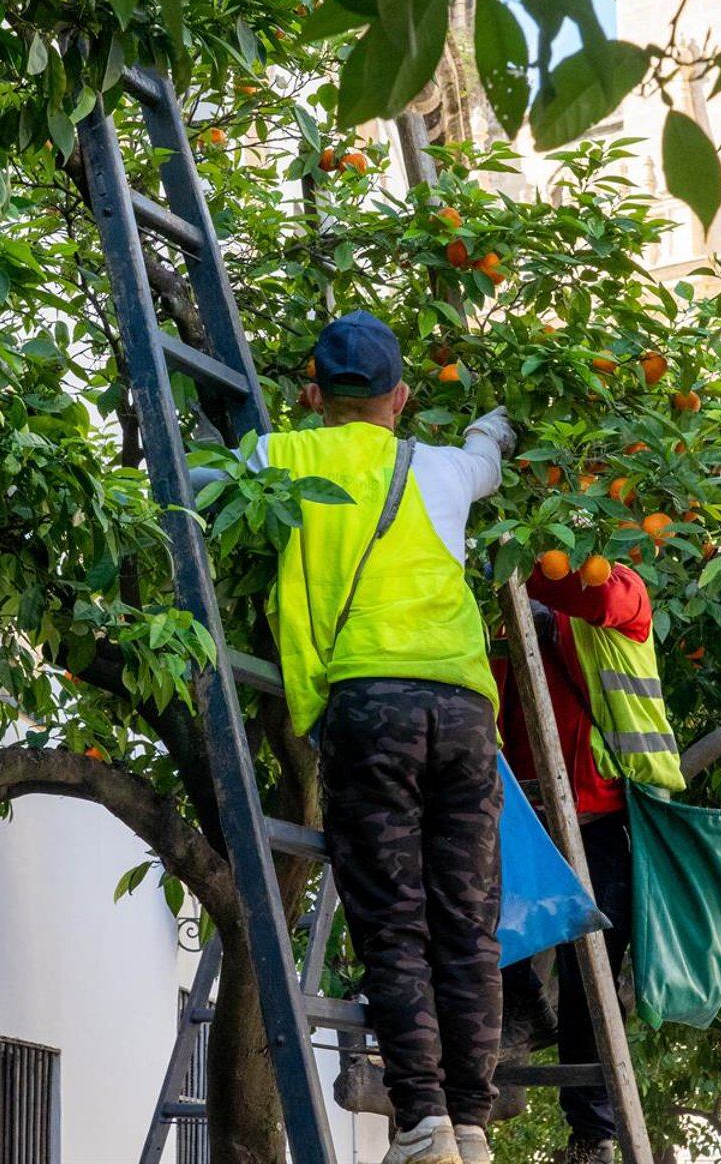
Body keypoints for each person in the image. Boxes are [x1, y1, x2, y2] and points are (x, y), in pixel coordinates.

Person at [229, 310, 515, 1164]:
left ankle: (423, 1123)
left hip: (369, 706)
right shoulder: (442, 469)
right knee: (469, 924)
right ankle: (470, 1121)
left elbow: (213, 468)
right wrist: (495, 420)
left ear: (313, 392)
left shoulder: (286, 456)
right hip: (466, 713)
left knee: (393, 923)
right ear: (402, 397)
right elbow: (490, 455)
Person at [495, 556, 684, 1164]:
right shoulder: (499, 624)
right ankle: (520, 1005)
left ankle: (591, 1135)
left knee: (589, 979)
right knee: (486, 933)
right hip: (525, 818)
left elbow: (597, 595)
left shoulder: (618, 589)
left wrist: (523, 552)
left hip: (599, 820)